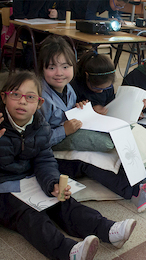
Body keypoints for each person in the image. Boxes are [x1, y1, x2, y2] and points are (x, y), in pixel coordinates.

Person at [0, 70, 137, 260]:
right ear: (4, 96)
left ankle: (107, 230)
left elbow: (44, 159)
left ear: (39, 103)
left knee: (63, 201)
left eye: (30, 97)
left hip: (28, 180)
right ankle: (68, 251)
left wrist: (52, 183)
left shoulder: (40, 126)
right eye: (16, 94)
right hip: (4, 189)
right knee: (31, 217)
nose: (22, 101)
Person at [38, 35, 146, 213]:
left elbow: (69, 113)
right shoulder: (40, 97)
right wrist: (63, 130)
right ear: (41, 69)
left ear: (73, 67)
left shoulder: (68, 89)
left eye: (65, 66)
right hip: (51, 153)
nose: (59, 73)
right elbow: (36, 139)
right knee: (90, 158)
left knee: (113, 141)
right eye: (51, 67)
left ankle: (140, 178)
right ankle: (136, 194)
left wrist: (81, 109)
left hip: (70, 133)